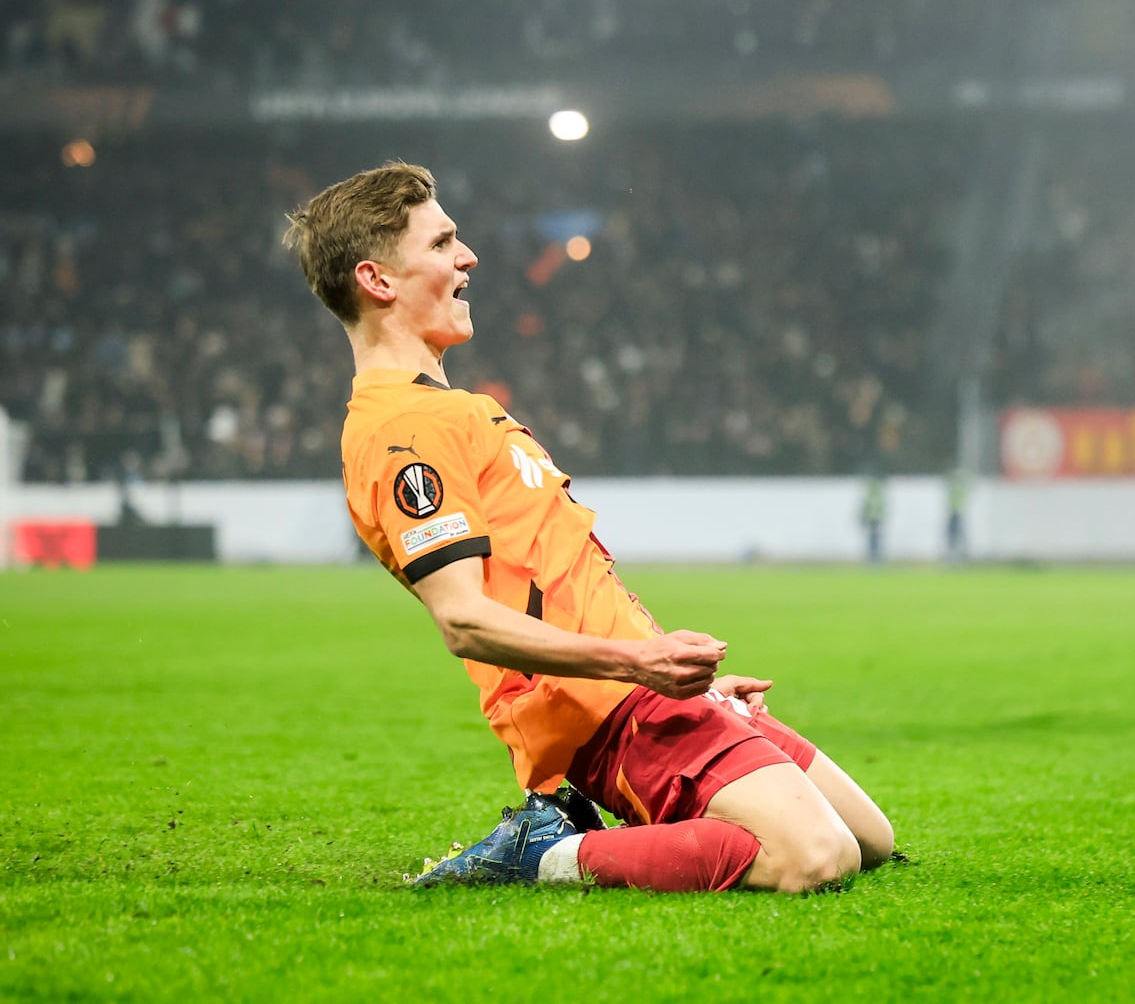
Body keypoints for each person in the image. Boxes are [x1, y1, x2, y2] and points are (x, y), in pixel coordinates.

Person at [284, 162, 893, 892]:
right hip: (602, 709)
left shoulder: (457, 410)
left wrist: (676, 676)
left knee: (868, 838)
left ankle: (666, 803)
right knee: (814, 857)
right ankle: (541, 854)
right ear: (379, 281)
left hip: (641, 688)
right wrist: (639, 667)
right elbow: (465, 620)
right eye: (443, 243)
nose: (469, 257)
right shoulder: (404, 431)